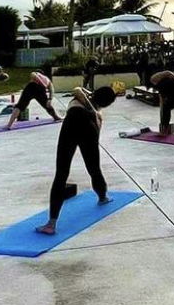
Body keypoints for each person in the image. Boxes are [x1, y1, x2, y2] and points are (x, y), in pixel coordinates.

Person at [35, 84, 117, 235]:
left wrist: (90, 103)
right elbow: (95, 134)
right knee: (94, 168)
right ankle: (103, 197)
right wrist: (93, 114)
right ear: (106, 104)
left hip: (71, 125)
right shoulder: (98, 116)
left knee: (61, 173)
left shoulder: (82, 99)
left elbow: (77, 89)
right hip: (89, 129)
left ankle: (51, 224)